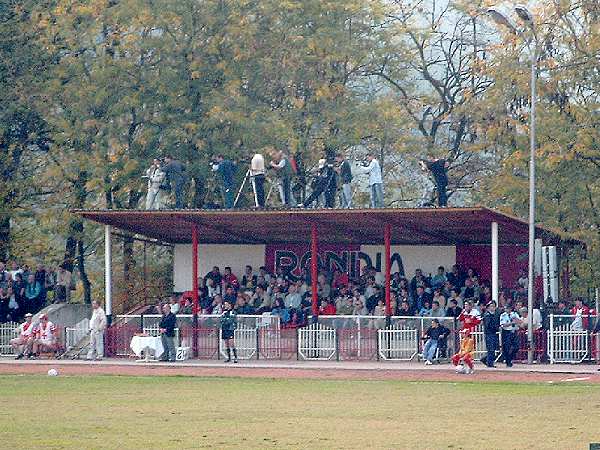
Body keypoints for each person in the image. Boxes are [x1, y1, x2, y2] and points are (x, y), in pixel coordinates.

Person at [482, 301, 500, 368]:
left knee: (493, 348)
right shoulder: (487, 315)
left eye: (494, 306)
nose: (492, 308)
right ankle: (490, 363)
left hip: (493, 333)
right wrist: (495, 327)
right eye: (491, 306)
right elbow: (487, 325)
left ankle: (486, 360)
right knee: (491, 349)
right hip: (489, 333)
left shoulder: (493, 314)